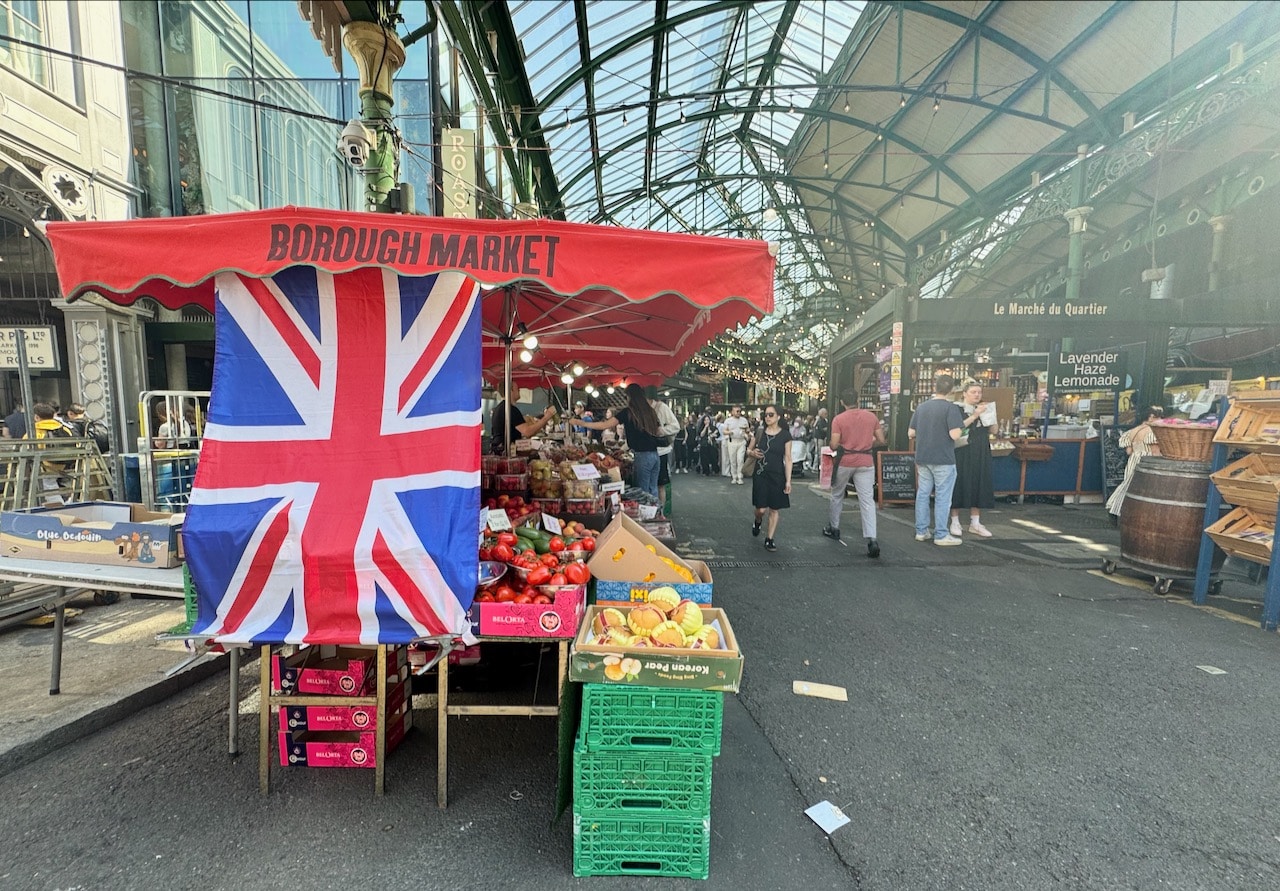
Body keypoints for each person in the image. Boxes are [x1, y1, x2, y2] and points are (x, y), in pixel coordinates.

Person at [823, 388, 886, 557]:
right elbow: (881, 439)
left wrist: (836, 442)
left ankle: (834, 527)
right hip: (866, 461)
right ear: (857, 400)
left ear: (842, 402)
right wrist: (867, 442)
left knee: (837, 494)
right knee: (867, 501)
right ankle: (872, 539)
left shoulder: (839, 419)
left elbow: (834, 445)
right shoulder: (871, 417)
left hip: (846, 461)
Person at [574, 383, 665, 498]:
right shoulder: (650, 411)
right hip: (655, 455)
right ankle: (656, 514)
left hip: (642, 456)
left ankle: (648, 515)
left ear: (630, 397)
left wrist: (581, 423)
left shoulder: (628, 412)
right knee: (653, 490)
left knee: (643, 493)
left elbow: (604, 425)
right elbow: (657, 431)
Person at [908, 374, 965, 546]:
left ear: (935, 387)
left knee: (923, 494)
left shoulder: (922, 407)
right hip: (943, 458)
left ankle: (921, 531)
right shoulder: (951, 408)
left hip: (923, 456)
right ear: (952, 390)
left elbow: (911, 433)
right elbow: (954, 434)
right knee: (943, 497)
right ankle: (941, 534)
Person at [949, 380, 997, 538]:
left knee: (979, 481)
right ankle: (954, 521)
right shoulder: (956, 408)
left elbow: (994, 431)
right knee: (958, 482)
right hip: (961, 449)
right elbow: (957, 428)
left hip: (981, 448)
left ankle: (975, 522)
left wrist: (991, 416)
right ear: (964, 393)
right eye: (973, 392)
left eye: (979, 392)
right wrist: (975, 415)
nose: (977, 395)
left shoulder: (985, 407)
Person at [746, 404, 792, 552]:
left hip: (777, 475)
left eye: (771, 415)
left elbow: (788, 458)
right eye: (765, 415)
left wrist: (788, 480)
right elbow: (748, 449)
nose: (767, 417)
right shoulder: (760, 432)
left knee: (774, 509)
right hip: (760, 474)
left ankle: (769, 539)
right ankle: (757, 521)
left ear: (779, 416)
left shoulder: (785, 435)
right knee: (761, 509)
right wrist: (752, 453)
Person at [1106, 405, 1164, 520]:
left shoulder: (1131, 432)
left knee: (1127, 484)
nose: (1161, 419)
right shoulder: (1152, 432)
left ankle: (1114, 506)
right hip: (1146, 461)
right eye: (1159, 417)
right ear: (1151, 417)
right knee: (1145, 487)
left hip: (1133, 459)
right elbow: (1155, 452)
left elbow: (1128, 451)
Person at [489, 397, 555, 454]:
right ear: (511, 390)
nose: (519, 390)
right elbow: (527, 432)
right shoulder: (510, 409)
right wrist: (546, 417)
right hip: (504, 452)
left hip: (499, 450)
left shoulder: (499, 408)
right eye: (517, 388)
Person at [721, 405, 752, 484]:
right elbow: (724, 431)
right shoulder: (728, 421)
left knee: (740, 459)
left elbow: (748, 430)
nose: (739, 413)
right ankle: (734, 476)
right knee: (733, 460)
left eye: (739, 411)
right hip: (732, 441)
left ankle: (740, 476)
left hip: (741, 441)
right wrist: (730, 432)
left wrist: (747, 431)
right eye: (737, 411)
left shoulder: (744, 420)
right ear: (732, 412)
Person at [789, 414, 809, 479]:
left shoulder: (803, 429)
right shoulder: (791, 429)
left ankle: (799, 465)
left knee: (799, 451)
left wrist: (801, 436)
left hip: (800, 442)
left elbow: (803, 436)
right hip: (793, 443)